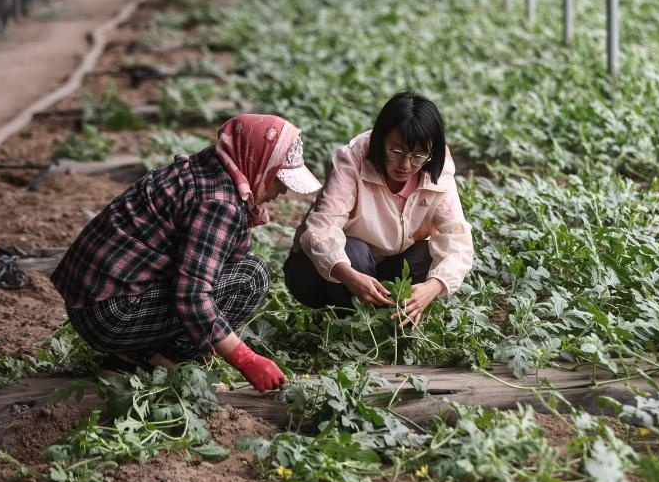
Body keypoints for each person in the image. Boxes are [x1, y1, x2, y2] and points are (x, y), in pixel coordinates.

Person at [51, 114, 322, 391]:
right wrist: (245, 358)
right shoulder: (219, 202)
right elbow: (192, 295)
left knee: (240, 266)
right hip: (112, 314)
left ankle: (128, 359)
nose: (283, 192)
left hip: (92, 303)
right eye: (280, 180)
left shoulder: (207, 168)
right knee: (251, 277)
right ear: (259, 163)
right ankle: (156, 362)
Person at [284, 91, 474, 326]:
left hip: (385, 266)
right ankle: (352, 324)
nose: (406, 165)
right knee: (354, 251)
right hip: (320, 274)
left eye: (417, 155)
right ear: (381, 139)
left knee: (426, 255)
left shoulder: (437, 169)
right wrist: (349, 276)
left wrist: (432, 287)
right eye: (396, 152)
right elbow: (319, 231)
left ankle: (391, 319)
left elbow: (457, 237)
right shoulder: (351, 161)